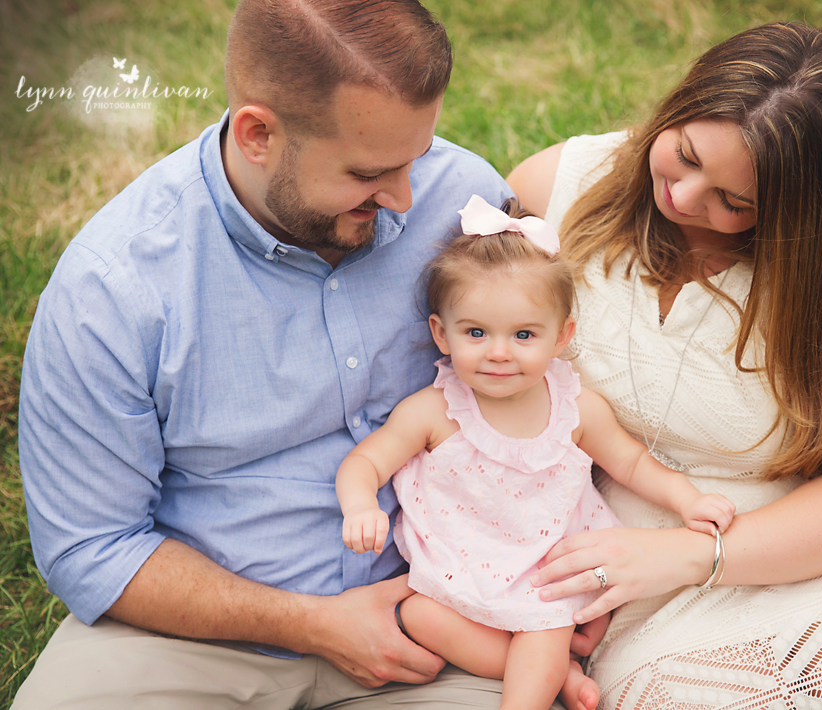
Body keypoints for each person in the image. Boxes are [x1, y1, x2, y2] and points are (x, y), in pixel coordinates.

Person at [13, 1, 530, 708]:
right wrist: (314, 626)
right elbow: (91, 549)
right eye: (369, 171)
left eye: (418, 155)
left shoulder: (458, 199)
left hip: (441, 614)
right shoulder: (114, 288)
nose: (407, 196)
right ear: (259, 134)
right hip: (193, 636)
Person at [507, 21, 822, 710]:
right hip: (639, 585)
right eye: (683, 153)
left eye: (734, 201)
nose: (682, 197)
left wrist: (692, 554)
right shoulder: (559, 192)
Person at [335, 195, 736, 710]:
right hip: (461, 563)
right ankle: (560, 675)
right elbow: (366, 461)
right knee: (418, 616)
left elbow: (631, 461)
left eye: (524, 335)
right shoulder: (435, 410)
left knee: (544, 627)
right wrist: (361, 504)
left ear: (561, 337)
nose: (499, 352)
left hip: (544, 569)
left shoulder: (575, 409)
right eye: (475, 333)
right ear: (441, 333)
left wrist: (686, 500)